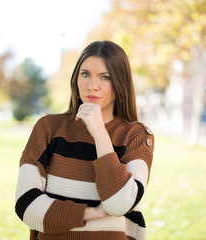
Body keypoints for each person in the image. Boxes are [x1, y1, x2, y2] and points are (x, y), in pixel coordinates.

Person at [15, 40, 154, 240]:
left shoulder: (138, 136)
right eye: (85, 74)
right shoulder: (48, 128)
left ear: (120, 83)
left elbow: (120, 203)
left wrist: (99, 131)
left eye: (105, 77)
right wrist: (91, 213)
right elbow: (26, 205)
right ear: (76, 78)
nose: (92, 86)